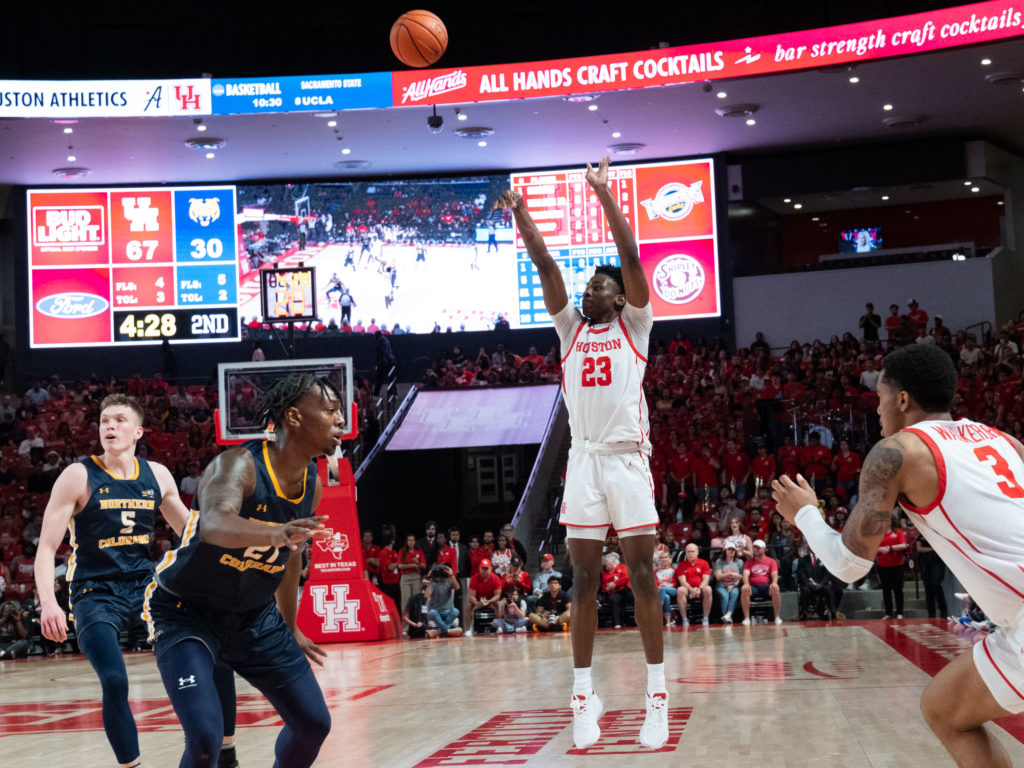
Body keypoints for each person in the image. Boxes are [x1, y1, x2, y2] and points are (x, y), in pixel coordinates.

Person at [772, 343, 1024, 768]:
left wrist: (807, 515)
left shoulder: (897, 452)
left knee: (946, 714)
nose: (877, 410)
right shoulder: (1005, 442)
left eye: (880, 398)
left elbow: (849, 566)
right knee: (943, 709)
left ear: (903, 399)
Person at [495, 155, 667, 750]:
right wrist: (521, 216)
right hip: (587, 462)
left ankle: (656, 694)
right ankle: (582, 693)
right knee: (583, 580)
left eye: (600, 285)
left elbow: (632, 257)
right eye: (590, 285)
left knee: (643, 574)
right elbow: (544, 264)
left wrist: (605, 195)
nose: (589, 289)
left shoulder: (635, 327)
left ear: (621, 300)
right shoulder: (570, 330)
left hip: (626, 460)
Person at [35, 393, 241, 768]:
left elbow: (190, 532)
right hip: (95, 592)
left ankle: (227, 753)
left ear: (138, 431)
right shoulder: (78, 475)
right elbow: (47, 547)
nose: (109, 427)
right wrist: (49, 602)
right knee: (115, 680)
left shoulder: (157, 474)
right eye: (103, 421)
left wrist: (228, 567)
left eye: (118, 420)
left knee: (219, 652)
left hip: (146, 587)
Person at [144, 374, 338, 767]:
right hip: (187, 612)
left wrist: (290, 624)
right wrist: (276, 532)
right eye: (330, 411)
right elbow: (214, 525)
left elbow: (291, 556)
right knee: (204, 740)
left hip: (254, 616)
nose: (340, 421)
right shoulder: (238, 465)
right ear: (294, 417)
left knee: (313, 724)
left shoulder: (312, 483)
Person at [740, 540, 782, 625]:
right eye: (754, 547)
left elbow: (774, 574)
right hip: (753, 587)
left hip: (766, 586)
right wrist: (746, 583)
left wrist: (774, 582)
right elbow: (745, 574)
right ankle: (747, 618)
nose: (756, 549)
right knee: (744, 589)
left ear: (764, 549)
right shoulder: (748, 562)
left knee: (776, 589)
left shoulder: (771, 561)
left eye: (758, 548)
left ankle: (777, 617)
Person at [876, 514, 908, 619]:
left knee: (898, 589)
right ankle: (888, 613)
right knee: (886, 590)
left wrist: (890, 548)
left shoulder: (898, 532)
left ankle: (900, 612)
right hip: (883, 565)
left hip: (897, 565)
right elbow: (872, 547)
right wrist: (880, 549)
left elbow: (903, 545)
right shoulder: (878, 534)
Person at [674, 542, 712, 626]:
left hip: (700, 589)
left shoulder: (704, 563)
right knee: (680, 590)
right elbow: (682, 581)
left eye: (692, 551)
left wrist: (699, 589)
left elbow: (706, 580)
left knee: (708, 589)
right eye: (688, 552)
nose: (690, 553)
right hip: (688, 590)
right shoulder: (681, 565)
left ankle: (705, 618)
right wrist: (691, 590)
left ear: (697, 552)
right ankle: (684, 619)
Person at [916, 532, 949, 619]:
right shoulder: (921, 535)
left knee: (936, 584)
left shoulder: (937, 532)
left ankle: (943, 610)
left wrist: (930, 549)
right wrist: (931, 549)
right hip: (925, 563)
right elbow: (919, 548)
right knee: (928, 589)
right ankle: (931, 614)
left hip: (937, 562)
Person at [712, 541, 743, 623]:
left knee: (734, 593)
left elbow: (741, 576)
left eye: (733, 549)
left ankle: (728, 615)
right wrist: (731, 573)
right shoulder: (719, 561)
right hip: (721, 585)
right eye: (729, 549)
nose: (731, 551)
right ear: (725, 550)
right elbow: (718, 576)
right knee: (725, 596)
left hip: (734, 585)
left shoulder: (739, 562)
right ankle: (726, 616)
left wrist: (733, 585)